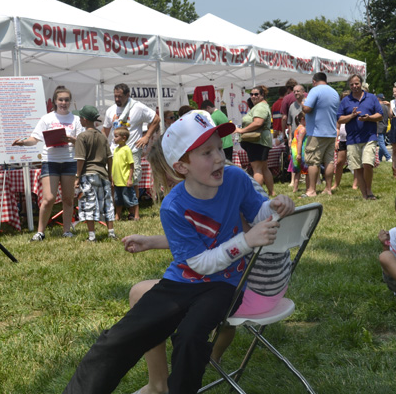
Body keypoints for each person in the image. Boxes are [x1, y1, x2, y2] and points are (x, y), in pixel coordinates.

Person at [63, 111, 294, 394]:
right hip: (183, 281)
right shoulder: (173, 206)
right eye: (207, 153)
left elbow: (258, 214)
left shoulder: (235, 178)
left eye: (219, 148)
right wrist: (246, 242)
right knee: (120, 337)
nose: (219, 158)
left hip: (226, 284)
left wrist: (276, 207)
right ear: (181, 166)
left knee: (191, 337)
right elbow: (198, 262)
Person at [122, 154, 293, 394]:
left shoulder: (221, 185)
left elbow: (222, 243)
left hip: (246, 290)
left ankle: (158, 385)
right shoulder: (231, 175)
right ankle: (214, 356)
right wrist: (152, 241)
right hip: (273, 288)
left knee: (140, 293)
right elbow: (215, 237)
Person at [13, 85, 83, 241]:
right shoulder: (46, 118)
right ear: (55, 101)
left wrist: (72, 139)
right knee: (49, 198)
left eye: (66, 100)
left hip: (69, 161)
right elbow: (34, 139)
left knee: (68, 198)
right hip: (50, 161)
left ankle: (67, 230)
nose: (63, 103)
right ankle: (40, 232)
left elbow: (82, 141)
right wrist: (23, 142)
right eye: (61, 100)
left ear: (70, 102)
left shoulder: (75, 119)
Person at [102, 83, 161, 221]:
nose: (117, 99)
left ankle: (133, 213)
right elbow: (105, 131)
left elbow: (156, 119)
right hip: (115, 152)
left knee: (132, 181)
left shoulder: (137, 107)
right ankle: (116, 213)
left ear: (128, 95)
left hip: (133, 150)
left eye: (120, 96)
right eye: (115, 96)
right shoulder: (111, 110)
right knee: (114, 182)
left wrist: (146, 137)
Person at [337, 74, 383, 200]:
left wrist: (369, 118)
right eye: (351, 84)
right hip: (352, 139)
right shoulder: (345, 101)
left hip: (369, 137)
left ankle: (369, 190)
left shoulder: (371, 98)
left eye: (356, 84)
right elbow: (340, 119)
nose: (354, 86)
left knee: (367, 164)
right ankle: (364, 194)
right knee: (357, 168)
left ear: (361, 84)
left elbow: (380, 115)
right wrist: (351, 116)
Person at [73, 105, 115, 242]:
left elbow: (81, 159)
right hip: (103, 173)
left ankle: (92, 236)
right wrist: (110, 175)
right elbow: (110, 157)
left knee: (88, 204)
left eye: (80, 117)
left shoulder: (82, 136)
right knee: (107, 203)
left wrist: (77, 176)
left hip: (88, 174)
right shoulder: (102, 136)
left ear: (85, 120)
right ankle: (111, 232)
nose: (79, 120)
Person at [302, 72, 340, 197]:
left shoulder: (315, 90)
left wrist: (303, 104)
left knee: (313, 161)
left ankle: (312, 190)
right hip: (331, 131)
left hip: (317, 132)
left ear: (314, 81)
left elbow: (307, 109)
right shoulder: (334, 92)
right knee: (329, 161)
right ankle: (328, 188)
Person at [234, 85, 275, 196]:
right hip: (261, 140)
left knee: (257, 169)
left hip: (257, 140)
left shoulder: (260, 107)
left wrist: (242, 130)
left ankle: (257, 194)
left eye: (256, 94)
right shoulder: (260, 106)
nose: (253, 96)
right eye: (251, 94)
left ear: (262, 95)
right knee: (264, 167)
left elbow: (258, 122)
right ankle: (271, 192)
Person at [111, 126, 137, 221]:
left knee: (130, 198)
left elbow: (131, 165)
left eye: (116, 136)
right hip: (117, 180)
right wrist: (113, 178)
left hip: (125, 180)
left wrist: (130, 179)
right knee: (118, 200)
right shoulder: (116, 149)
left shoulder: (127, 149)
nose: (114, 138)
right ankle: (117, 215)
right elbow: (114, 165)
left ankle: (134, 214)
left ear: (123, 138)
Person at [289, 112, 308, 193]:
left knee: (297, 172)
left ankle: (295, 188)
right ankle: (309, 188)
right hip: (301, 152)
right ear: (303, 119)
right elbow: (300, 141)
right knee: (307, 172)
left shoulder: (297, 128)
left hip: (295, 152)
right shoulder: (303, 129)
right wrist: (299, 154)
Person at [376, 93, 392, 163]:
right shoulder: (386, 107)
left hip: (379, 126)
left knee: (381, 143)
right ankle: (379, 158)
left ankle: (388, 157)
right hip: (385, 126)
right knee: (382, 142)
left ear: (378, 99)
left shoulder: (378, 106)